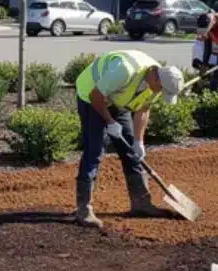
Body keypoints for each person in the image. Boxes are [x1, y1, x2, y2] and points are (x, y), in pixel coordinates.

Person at [73, 49, 186, 228]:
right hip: (92, 95)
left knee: (132, 154)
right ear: (156, 79)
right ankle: (83, 209)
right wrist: (110, 121)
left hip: (117, 99)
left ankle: (141, 203)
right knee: (95, 150)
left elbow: (143, 109)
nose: (159, 93)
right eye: (162, 90)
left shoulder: (155, 82)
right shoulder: (124, 70)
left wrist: (138, 141)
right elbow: (96, 95)